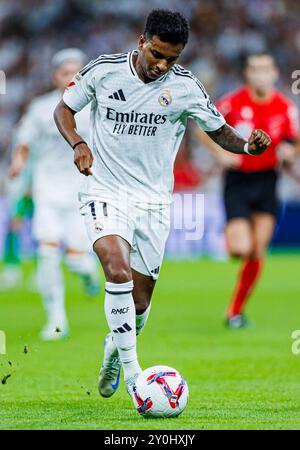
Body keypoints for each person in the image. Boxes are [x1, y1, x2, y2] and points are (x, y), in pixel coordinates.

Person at [54, 9, 270, 399]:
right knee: (116, 269)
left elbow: (218, 130)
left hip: (153, 201)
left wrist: (247, 147)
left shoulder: (185, 87)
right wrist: (79, 143)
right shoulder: (104, 71)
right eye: (157, 54)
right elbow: (64, 108)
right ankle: (137, 374)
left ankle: (115, 352)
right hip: (104, 189)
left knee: (139, 302)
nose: (162, 65)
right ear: (142, 41)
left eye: (172, 58)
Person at [197, 52, 299, 328]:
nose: (261, 74)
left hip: (268, 181)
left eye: (266, 69)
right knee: (241, 249)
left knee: (257, 250)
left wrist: (290, 152)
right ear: (247, 74)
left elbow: (294, 139)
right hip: (238, 181)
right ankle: (229, 239)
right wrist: (219, 153)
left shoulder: (285, 107)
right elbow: (202, 127)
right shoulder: (232, 102)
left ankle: (234, 312)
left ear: (275, 73)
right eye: (255, 69)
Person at [9, 48, 100, 340]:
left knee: (75, 259)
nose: (70, 77)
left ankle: (88, 274)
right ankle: (57, 320)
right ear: (55, 76)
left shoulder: (95, 107)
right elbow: (24, 141)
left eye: (76, 72)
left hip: (83, 192)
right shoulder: (40, 107)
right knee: (47, 253)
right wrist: (18, 162)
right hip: (47, 190)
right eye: (65, 72)